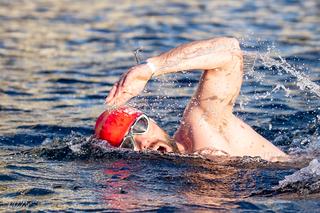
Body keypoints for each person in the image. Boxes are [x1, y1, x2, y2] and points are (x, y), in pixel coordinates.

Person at [96, 37, 288, 162]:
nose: (143, 143)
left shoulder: (200, 124)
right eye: (128, 144)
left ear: (152, 121)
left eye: (140, 127)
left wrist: (151, 68)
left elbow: (230, 51)